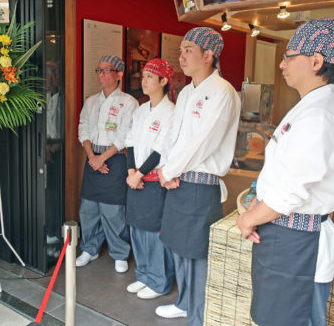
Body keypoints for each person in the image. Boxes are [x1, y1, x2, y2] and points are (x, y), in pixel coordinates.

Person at [236, 18, 334, 326]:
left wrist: (249, 218)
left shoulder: (320, 115)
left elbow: (291, 189)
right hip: (284, 236)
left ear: (316, 61)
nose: (282, 64)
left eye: (289, 56)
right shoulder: (310, 106)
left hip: (300, 243)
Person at [156, 27, 241, 324]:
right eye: (180, 50)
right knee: (179, 248)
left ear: (208, 55)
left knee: (196, 254)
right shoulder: (187, 92)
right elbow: (172, 137)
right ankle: (184, 302)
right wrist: (165, 169)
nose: (181, 56)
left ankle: (199, 315)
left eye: (188, 50)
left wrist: (169, 170)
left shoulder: (223, 92)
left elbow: (203, 142)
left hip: (199, 186)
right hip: (178, 182)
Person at [77, 55, 138, 273]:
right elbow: (83, 127)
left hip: (116, 160)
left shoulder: (129, 103)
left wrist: (102, 158)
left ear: (119, 74)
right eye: (99, 70)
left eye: (106, 70)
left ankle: (119, 253)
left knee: (113, 211)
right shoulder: (91, 101)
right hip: (92, 157)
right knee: (88, 208)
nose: (101, 75)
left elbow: (124, 135)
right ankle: (90, 248)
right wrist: (92, 157)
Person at [125, 59, 176, 300]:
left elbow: (160, 149)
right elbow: (131, 142)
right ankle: (143, 275)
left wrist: (139, 174)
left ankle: (159, 281)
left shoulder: (171, 112)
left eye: (149, 77)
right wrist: (130, 173)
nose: (143, 81)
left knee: (154, 231)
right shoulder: (141, 109)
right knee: (136, 228)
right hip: (135, 178)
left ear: (164, 81)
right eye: (143, 76)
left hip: (154, 181)